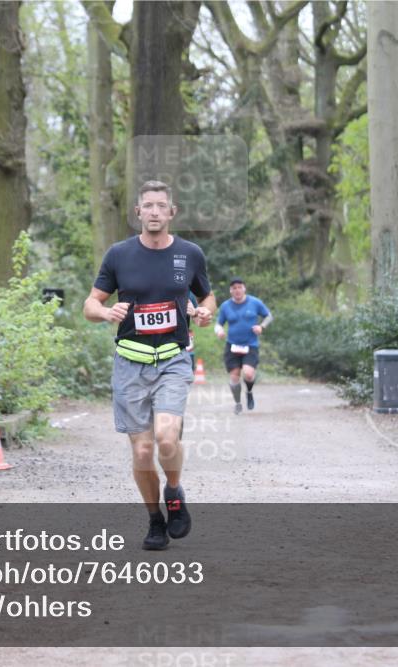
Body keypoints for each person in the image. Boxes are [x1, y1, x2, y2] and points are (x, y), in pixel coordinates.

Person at [83, 180, 216, 550]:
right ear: (138, 212)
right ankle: (155, 519)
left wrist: (205, 311)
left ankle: (174, 493)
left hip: (173, 359)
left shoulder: (190, 254)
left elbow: (207, 295)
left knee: (166, 438)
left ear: (172, 213)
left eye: (161, 206)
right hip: (130, 363)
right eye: (148, 206)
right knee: (142, 451)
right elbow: (90, 304)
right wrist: (107, 311)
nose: (155, 212)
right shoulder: (119, 255)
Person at [215, 278, 272, 414]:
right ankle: (237, 402)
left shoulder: (255, 302)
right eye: (234, 288)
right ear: (230, 291)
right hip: (232, 346)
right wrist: (219, 331)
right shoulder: (225, 306)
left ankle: (249, 392)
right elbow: (218, 323)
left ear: (244, 289)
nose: (237, 290)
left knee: (248, 373)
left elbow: (268, 316)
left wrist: (261, 326)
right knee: (234, 377)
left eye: (239, 287)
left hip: (250, 345)